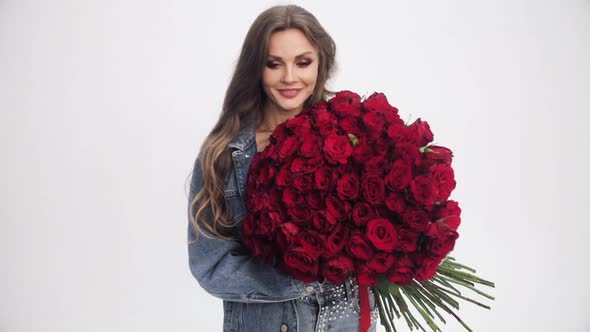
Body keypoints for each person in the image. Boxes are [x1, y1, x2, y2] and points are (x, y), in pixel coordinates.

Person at [187, 5, 378, 331]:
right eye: (274, 64)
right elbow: (211, 266)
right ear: (255, 69)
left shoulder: (351, 137)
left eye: (303, 62)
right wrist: (304, 277)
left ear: (321, 62)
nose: (290, 78)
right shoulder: (224, 156)